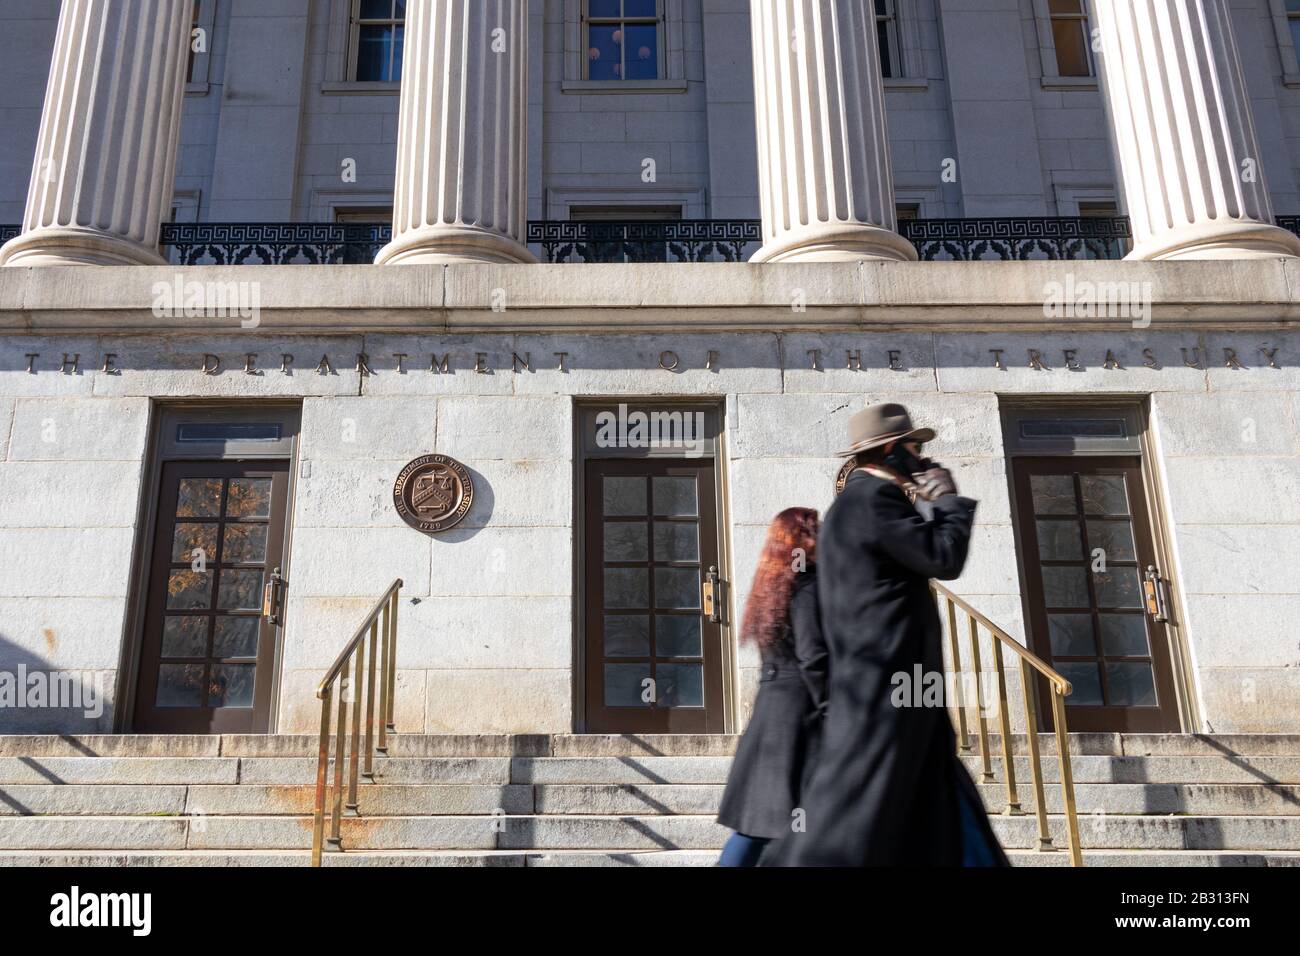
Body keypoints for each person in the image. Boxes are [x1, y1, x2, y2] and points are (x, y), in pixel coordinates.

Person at [764, 403, 1008, 867]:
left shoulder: (846, 508)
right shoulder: (876, 500)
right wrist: (948, 503)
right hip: (890, 687)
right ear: (894, 449)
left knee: (932, 803)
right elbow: (942, 559)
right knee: (855, 820)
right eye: (917, 447)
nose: (923, 458)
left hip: (892, 689)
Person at [716, 507, 828, 867]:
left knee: (760, 821)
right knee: (777, 821)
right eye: (818, 530)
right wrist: (833, 707)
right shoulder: (806, 584)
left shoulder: (773, 585)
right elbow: (813, 657)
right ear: (804, 538)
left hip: (771, 713)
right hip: (799, 717)